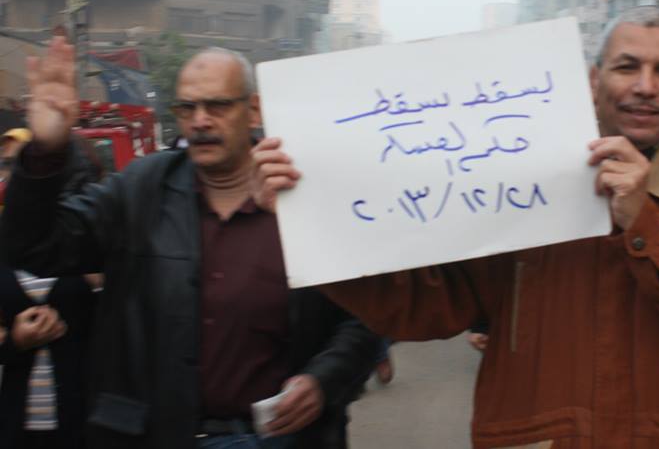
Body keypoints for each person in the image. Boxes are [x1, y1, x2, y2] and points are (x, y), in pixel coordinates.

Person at [252, 7, 659, 448]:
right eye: (627, 67)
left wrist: (645, 225)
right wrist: (311, 221)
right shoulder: (514, 188)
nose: (646, 86)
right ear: (593, 81)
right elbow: (421, 304)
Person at [0, 39, 380, 449]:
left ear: (254, 110)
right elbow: (37, 247)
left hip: (284, 439)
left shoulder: (305, 192)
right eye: (187, 108)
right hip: (154, 435)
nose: (200, 121)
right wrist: (46, 151)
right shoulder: (141, 188)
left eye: (217, 106)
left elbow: (369, 315)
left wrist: (324, 380)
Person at [1, 132, 103, 449]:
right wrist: (16, 341)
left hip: (90, 424)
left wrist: (98, 286)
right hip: (17, 426)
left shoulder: (96, 236)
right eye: (8, 165)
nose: (13, 175)